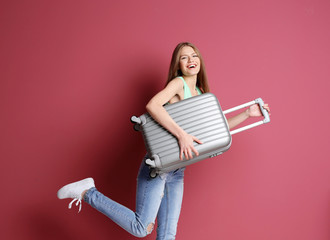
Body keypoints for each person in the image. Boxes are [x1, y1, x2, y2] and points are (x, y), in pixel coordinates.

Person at [57, 42, 270, 239]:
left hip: (177, 171)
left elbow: (215, 131)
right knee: (141, 228)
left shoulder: (201, 92)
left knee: (167, 235)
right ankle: (88, 192)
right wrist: (182, 135)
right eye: (184, 57)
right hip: (158, 168)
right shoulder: (178, 84)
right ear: (178, 65)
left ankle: (89, 192)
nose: (190, 60)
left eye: (194, 55)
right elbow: (153, 105)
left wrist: (247, 114)